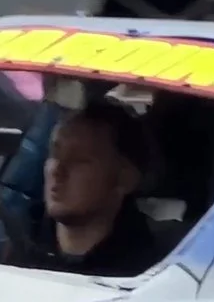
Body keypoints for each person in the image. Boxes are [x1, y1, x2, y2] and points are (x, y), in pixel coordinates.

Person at [34, 97, 164, 277]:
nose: (58, 170)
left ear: (126, 179)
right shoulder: (16, 246)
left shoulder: (149, 276)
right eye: (55, 154)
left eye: (79, 160)